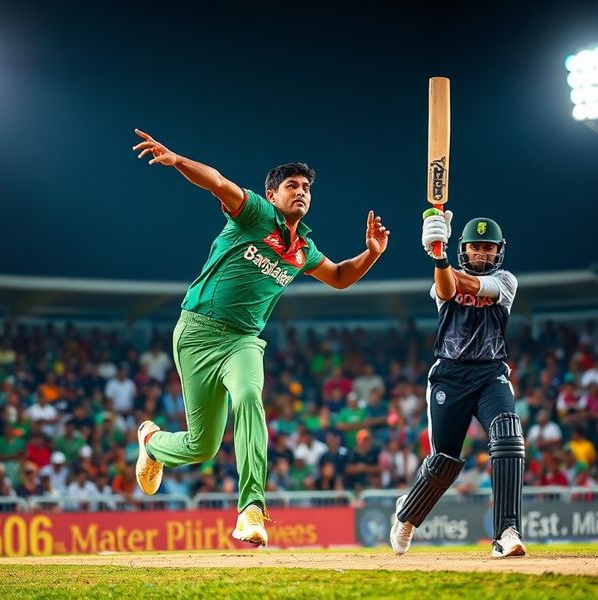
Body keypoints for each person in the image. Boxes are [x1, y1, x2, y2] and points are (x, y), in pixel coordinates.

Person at [130, 128, 389, 546]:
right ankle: (153, 443)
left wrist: (371, 254)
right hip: (196, 332)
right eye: (291, 185)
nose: (301, 192)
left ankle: (251, 511)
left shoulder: (304, 249)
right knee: (201, 447)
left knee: (249, 397)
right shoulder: (254, 214)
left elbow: (340, 276)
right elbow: (217, 182)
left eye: (306, 187)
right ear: (272, 194)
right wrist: (177, 160)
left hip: (243, 341)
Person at [389, 210, 527, 558]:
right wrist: (439, 256)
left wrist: (441, 254)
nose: (482, 254)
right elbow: (448, 289)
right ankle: (407, 515)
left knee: (508, 435)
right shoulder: (442, 277)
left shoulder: (507, 281)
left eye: (489, 248)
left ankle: (506, 532)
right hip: (449, 375)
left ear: (499, 252)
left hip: (491, 374)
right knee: (444, 462)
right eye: (476, 247)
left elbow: (473, 286)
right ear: (464, 249)